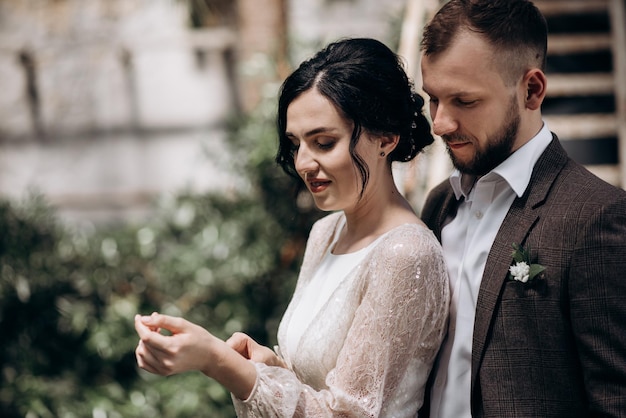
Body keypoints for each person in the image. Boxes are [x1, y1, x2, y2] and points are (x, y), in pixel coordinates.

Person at [134, 37, 450, 417]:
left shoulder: (405, 255)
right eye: (296, 144)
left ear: (386, 139)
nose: (303, 162)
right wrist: (267, 366)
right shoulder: (326, 233)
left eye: (323, 142)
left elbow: (346, 414)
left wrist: (218, 361)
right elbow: (316, 389)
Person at [417, 0, 626, 417]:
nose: (439, 122)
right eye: (433, 99)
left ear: (531, 90)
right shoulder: (438, 204)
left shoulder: (597, 218)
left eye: (464, 100)